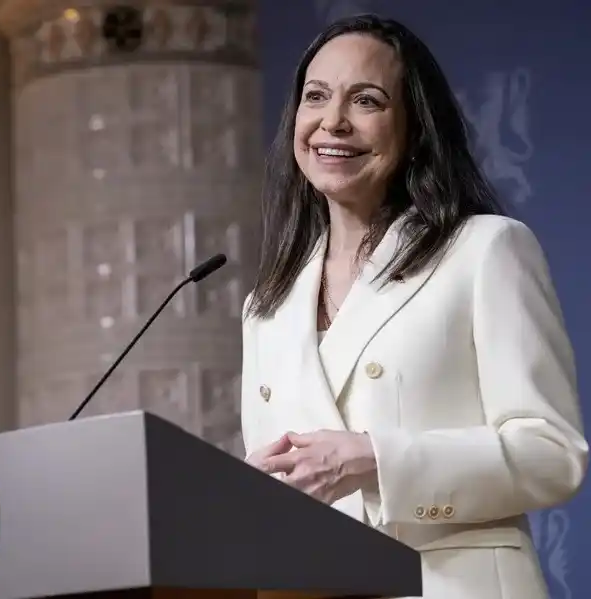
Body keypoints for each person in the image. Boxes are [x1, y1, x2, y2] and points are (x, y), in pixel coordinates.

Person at [239, 13, 588, 599]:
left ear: (415, 127)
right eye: (315, 97)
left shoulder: (485, 249)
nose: (332, 122)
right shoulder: (266, 306)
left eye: (366, 101)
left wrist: (379, 460)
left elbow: (553, 454)